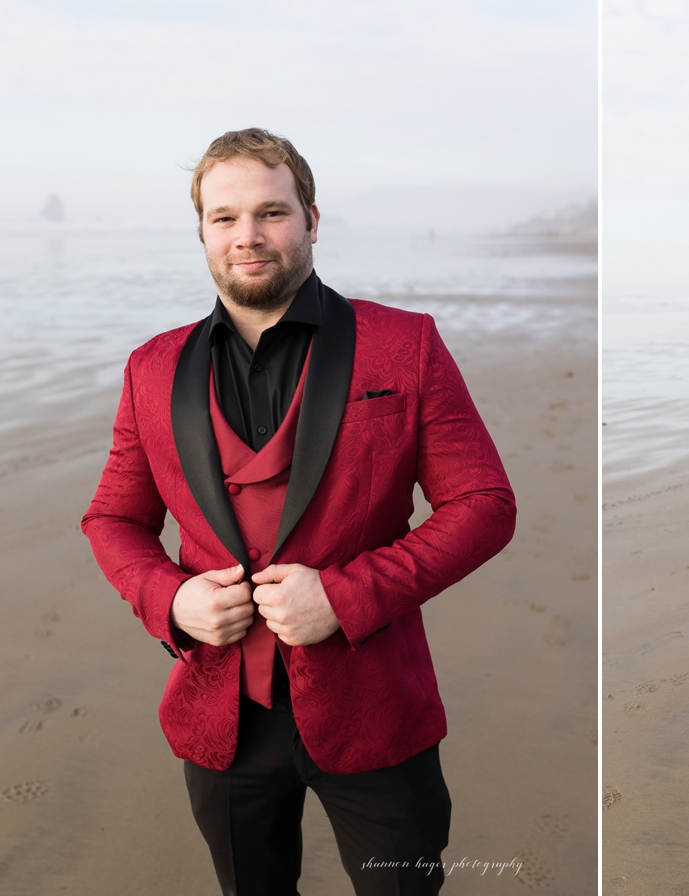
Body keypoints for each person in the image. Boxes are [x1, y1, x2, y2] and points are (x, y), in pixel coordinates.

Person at [82, 128, 516, 895]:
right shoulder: (152, 367)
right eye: (224, 218)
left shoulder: (404, 345)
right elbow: (113, 519)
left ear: (311, 219)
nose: (247, 237)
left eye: (271, 213)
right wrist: (171, 598)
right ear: (203, 232)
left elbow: (484, 505)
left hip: (376, 707)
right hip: (220, 717)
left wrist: (344, 596)